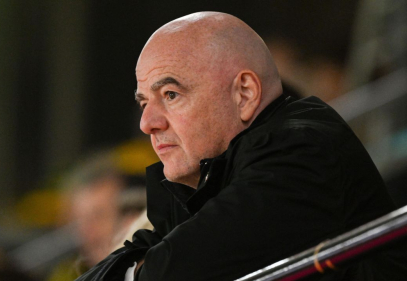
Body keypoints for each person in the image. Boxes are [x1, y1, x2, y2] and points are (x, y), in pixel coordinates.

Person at [76, 12, 406, 281]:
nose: (147, 123)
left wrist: (137, 271)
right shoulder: (202, 175)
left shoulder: (304, 144)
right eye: (144, 102)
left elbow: (177, 270)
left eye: (171, 95)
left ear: (244, 94)